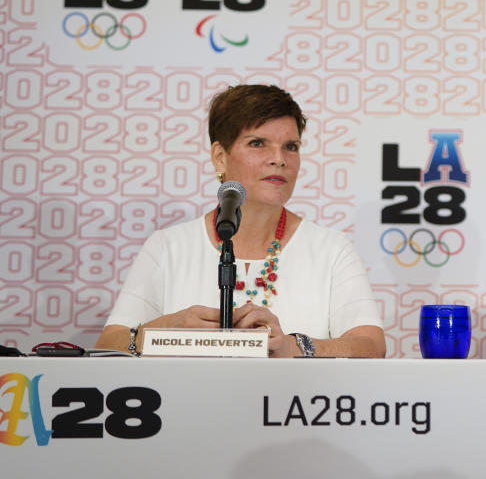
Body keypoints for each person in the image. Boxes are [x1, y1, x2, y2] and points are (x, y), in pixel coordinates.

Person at [96, 84, 386, 358]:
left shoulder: (331, 248)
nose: (279, 159)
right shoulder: (168, 246)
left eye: (291, 146)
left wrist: (293, 346)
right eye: (258, 143)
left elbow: (371, 345)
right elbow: (109, 344)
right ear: (220, 157)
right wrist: (167, 329)